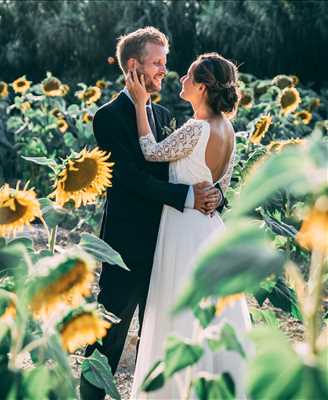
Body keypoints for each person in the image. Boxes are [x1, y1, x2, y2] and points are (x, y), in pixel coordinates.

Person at [80, 27, 225, 400]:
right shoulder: (108, 117)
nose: (164, 70)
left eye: (165, 62)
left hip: (170, 247)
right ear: (134, 65)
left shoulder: (160, 113)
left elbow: (187, 166)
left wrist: (212, 193)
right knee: (106, 340)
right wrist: (190, 198)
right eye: (157, 62)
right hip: (127, 249)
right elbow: (130, 179)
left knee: (165, 339)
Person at [127, 52, 252, 399]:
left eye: (188, 77)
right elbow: (219, 190)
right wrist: (211, 198)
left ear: (200, 87)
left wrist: (140, 104)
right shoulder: (228, 129)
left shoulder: (197, 128)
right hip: (210, 229)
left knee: (178, 309)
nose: (180, 79)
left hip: (183, 230)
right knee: (211, 315)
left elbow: (151, 151)